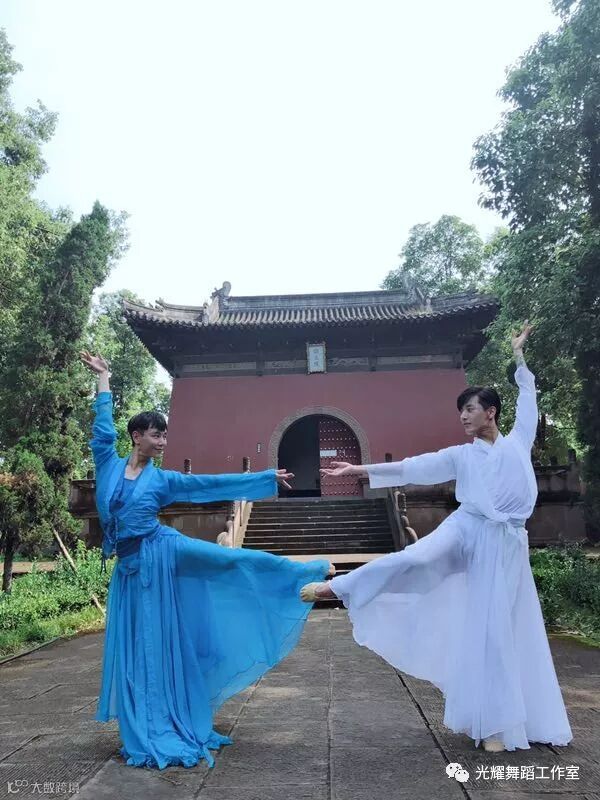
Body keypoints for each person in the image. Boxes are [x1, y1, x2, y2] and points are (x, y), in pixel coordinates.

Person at [300, 324, 572, 753]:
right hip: (468, 528)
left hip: (507, 546)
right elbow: (413, 467)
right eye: (460, 410)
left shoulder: (518, 444)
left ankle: (495, 724)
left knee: (500, 631)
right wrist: (359, 470)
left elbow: (528, 401)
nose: (463, 416)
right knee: (414, 558)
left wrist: (519, 357)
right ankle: (341, 587)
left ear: (491, 413)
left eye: (470, 409)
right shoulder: (460, 456)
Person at [80, 351, 334, 769]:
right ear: (137, 436)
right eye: (157, 435)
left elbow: (207, 484)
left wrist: (264, 479)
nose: (163, 443)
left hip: (163, 550)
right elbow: (102, 429)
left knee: (228, 561)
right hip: (129, 571)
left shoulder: (163, 480)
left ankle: (303, 570)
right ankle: (149, 720)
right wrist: (104, 377)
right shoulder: (107, 464)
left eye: (165, 436)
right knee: (142, 646)